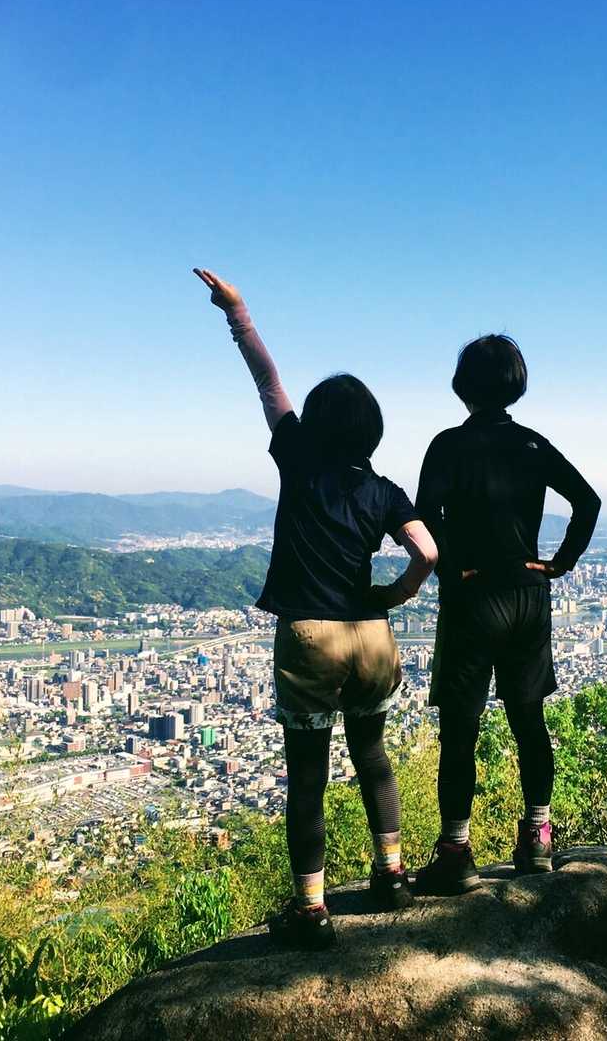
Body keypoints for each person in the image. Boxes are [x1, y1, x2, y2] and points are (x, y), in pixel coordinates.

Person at [193, 268, 438, 948]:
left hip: (310, 635)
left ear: (319, 425)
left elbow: (268, 383)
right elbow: (427, 550)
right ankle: (392, 877)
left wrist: (238, 313)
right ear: (373, 431)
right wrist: (396, 594)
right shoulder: (384, 490)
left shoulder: (299, 459)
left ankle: (311, 910)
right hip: (371, 636)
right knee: (374, 757)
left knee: (308, 776)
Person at [412, 334, 600, 894]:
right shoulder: (532, 444)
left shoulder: (448, 445)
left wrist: (453, 571)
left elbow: (423, 520)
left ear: (462, 385)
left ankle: (456, 852)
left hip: (472, 598)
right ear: (516, 384)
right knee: (528, 719)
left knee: (460, 728)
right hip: (527, 595)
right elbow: (587, 501)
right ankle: (538, 840)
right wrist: (558, 563)